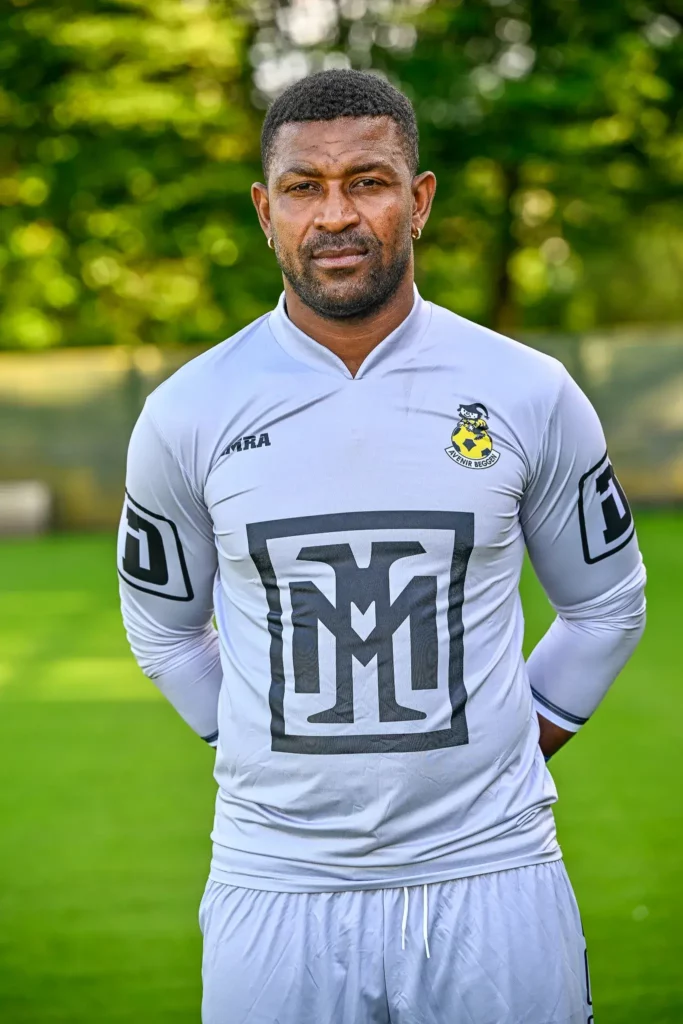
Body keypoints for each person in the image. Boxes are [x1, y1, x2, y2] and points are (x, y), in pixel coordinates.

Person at [117, 69, 646, 1024]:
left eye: (367, 180)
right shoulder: (186, 412)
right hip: (274, 881)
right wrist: (245, 737)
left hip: (494, 875)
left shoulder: (527, 390)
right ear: (263, 209)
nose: (335, 214)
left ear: (420, 198)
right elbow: (162, 629)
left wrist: (516, 744)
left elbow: (605, 604)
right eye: (303, 187)